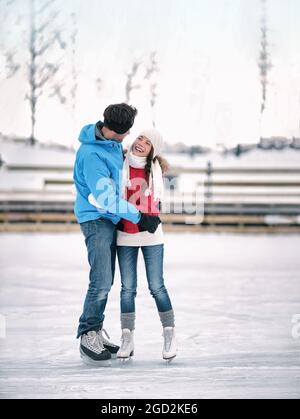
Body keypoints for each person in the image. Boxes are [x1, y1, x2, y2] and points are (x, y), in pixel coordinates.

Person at [73, 104, 161, 365]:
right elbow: (105, 197)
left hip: (111, 218)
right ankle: (87, 333)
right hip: (96, 219)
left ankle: (96, 329)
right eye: (129, 130)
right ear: (120, 131)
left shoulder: (112, 146)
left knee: (106, 280)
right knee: (100, 280)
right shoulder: (91, 155)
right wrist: (138, 216)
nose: (131, 134)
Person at [89, 128, 177, 362]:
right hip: (125, 233)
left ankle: (169, 334)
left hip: (151, 234)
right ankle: (127, 337)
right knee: (128, 288)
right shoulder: (119, 162)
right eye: (140, 138)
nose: (141, 143)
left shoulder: (156, 170)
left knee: (157, 286)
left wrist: (155, 215)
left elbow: (155, 201)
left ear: (153, 150)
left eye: (147, 142)